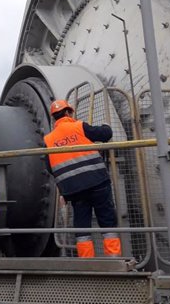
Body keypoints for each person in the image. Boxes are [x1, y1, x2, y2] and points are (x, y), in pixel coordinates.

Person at [43, 100, 121, 258]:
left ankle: (88, 263)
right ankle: (114, 260)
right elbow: (106, 134)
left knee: (82, 226)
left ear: (54, 118)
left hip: (75, 191)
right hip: (97, 183)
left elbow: (49, 167)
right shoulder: (79, 126)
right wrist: (106, 125)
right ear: (67, 113)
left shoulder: (48, 140)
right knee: (107, 221)